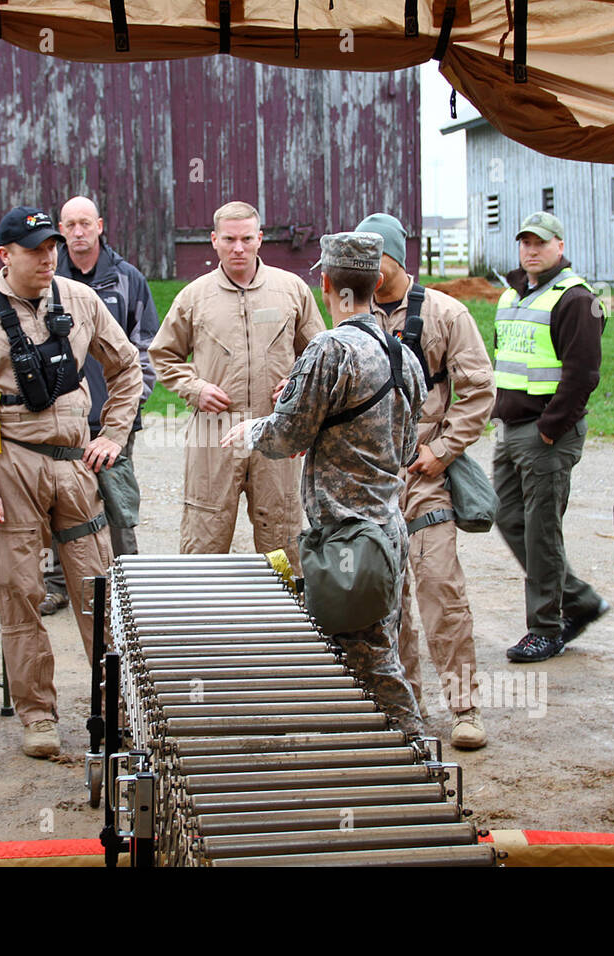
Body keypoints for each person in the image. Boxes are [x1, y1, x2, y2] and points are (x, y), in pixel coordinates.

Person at [0, 206, 143, 758]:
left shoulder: (80, 301)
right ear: (5, 255)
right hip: (11, 467)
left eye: (51, 246)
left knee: (96, 590)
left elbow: (128, 368)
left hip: (76, 464)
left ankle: (117, 711)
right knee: (20, 593)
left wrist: (114, 435)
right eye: (34, 249)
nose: (48, 256)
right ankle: (37, 717)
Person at [221, 232, 426, 739]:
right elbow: (404, 452)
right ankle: (383, 759)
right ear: (378, 283)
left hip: (348, 539)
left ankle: (417, 763)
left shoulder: (330, 349)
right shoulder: (404, 356)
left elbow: (289, 432)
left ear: (327, 283)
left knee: (370, 663)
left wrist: (252, 431)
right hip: (389, 530)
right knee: (374, 649)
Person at [358, 213, 496, 750]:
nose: (365, 274)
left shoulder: (446, 313)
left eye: (373, 263)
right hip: (371, 476)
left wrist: (442, 451)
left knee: (439, 583)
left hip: (425, 473)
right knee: (384, 596)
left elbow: (479, 391)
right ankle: (403, 705)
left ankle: (464, 707)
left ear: (394, 259)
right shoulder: (352, 314)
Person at [150, 201, 325, 571]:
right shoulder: (194, 297)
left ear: (260, 239)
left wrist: (296, 384)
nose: (238, 248)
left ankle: (285, 615)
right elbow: (162, 355)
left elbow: (320, 355)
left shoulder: (290, 289)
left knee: (281, 530)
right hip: (213, 432)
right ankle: (202, 619)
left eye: (247, 238)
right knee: (205, 530)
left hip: (274, 430)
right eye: (229, 239)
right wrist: (195, 388)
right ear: (214, 241)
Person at [491, 211, 610, 663]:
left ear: (560, 246)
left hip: (545, 432)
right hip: (512, 428)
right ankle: (578, 599)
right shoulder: (512, 296)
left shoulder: (576, 299)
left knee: (541, 533)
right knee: (506, 517)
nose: (531, 250)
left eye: (540, 243)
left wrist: (549, 429)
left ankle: (546, 627)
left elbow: (583, 375)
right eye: (525, 242)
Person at [39, 195, 158, 615]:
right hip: (61, 421)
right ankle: (56, 585)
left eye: (85, 223)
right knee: (58, 501)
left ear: (100, 226)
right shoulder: (46, 282)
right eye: (69, 224)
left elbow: (146, 350)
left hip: (112, 423)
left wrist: (123, 411)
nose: (77, 232)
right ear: (60, 229)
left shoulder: (127, 280)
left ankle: (127, 586)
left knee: (115, 503)